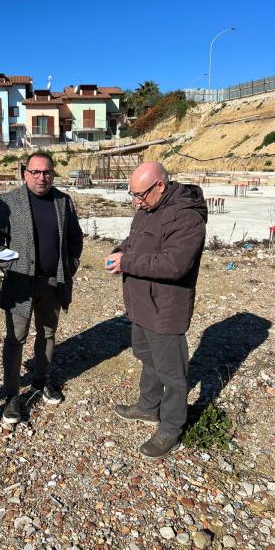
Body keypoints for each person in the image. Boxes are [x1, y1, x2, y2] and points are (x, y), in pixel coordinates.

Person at [105, 162, 207, 459]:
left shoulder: (187, 217)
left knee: (173, 373)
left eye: (140, 195)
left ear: (160, 185)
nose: (136, 201)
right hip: (141, 303)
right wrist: (119, 252)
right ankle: (148, 407)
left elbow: (174, 266)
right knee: (147, 356)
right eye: (132, 195)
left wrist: (127, 263)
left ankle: (171, 429)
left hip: (165, 307)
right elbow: (133, 242)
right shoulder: (147, 209)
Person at [0, 152, 83, 424]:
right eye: (36, 172)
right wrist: (9, 267)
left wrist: (70, 265)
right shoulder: (9, 202)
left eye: (47, 172)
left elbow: (76, 238)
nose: (42, 177)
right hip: (20, 283)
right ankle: (12, 395)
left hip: (53, 282)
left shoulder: (63, 201)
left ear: (53, 174)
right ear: (25, 173)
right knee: (16, 339)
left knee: (48, 333)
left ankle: (42, 380)